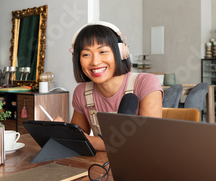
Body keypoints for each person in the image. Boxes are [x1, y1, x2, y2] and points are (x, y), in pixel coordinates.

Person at [64, 21, 163, 151]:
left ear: (122, 52)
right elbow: (77, 137)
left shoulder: (146, 83)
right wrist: (63, 131)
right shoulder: (82, 92)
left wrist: (91, 142)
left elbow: (148, 141)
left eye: (103, 51)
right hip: (101, 166)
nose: (95, 61)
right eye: (86, 54)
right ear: (77, 59)